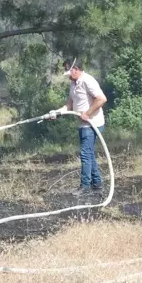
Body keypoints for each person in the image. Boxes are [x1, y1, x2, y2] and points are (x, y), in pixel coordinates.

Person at [51, 59, 107, 196]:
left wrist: (87, 113)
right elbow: (70, 104)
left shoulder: (88, 81)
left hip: (92, 123)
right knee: (89, 154)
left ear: (76, 69)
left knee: (85, 154)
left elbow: (101, 99)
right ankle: (97, 183)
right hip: (83, 125)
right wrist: (57, 112)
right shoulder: (73, 84)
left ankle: (85, 186)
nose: (68, 75)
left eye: (69, 71)